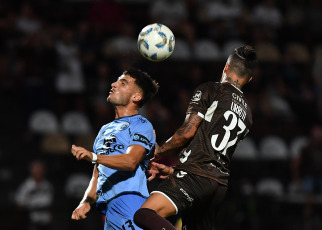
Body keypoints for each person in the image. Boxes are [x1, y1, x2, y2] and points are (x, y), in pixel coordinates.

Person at [134, 45, 258, 230]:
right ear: (249, 79)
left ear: (225, 67)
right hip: (218, 185)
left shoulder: (211, 90)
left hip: (195, 176)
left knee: (144, 214)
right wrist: (173, 171)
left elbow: (187, 132)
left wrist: (158, 152)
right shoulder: (248, 114)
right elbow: (213, 153)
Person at [70, 68, 159, 230]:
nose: (114, 84)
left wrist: (94, 157)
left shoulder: (141, 124)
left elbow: (131, 161)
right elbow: (98, 174)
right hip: (110, 210)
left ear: (136, 97)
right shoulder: (104, 129)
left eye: (123, 83)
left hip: (130, 202)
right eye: (116, 81)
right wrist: (86, 202)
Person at [15, 160, 54, 230]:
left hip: (46, 221)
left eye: (40, 170)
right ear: (31, 171)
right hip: (31, 221)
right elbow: (20, 204)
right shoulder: (26, 186)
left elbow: (50, 203)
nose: (39, 172)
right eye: (36, 170)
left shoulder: (47, 185)